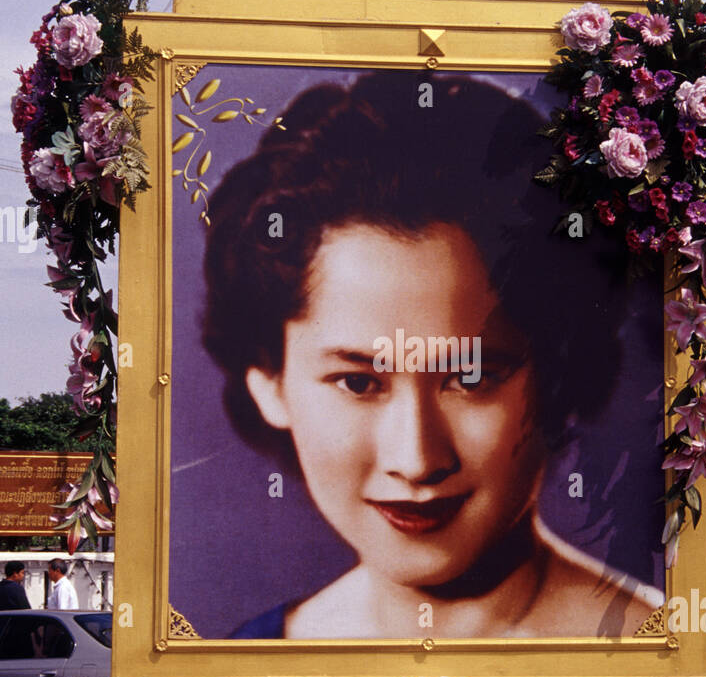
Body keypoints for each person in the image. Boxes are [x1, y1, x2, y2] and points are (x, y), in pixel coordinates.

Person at [202, 71, 663, 645]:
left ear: (560, 373)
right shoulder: (253, 663)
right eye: (357, 382)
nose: (417, 460)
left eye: (470, 377)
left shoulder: (654, 657)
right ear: (269, 380)